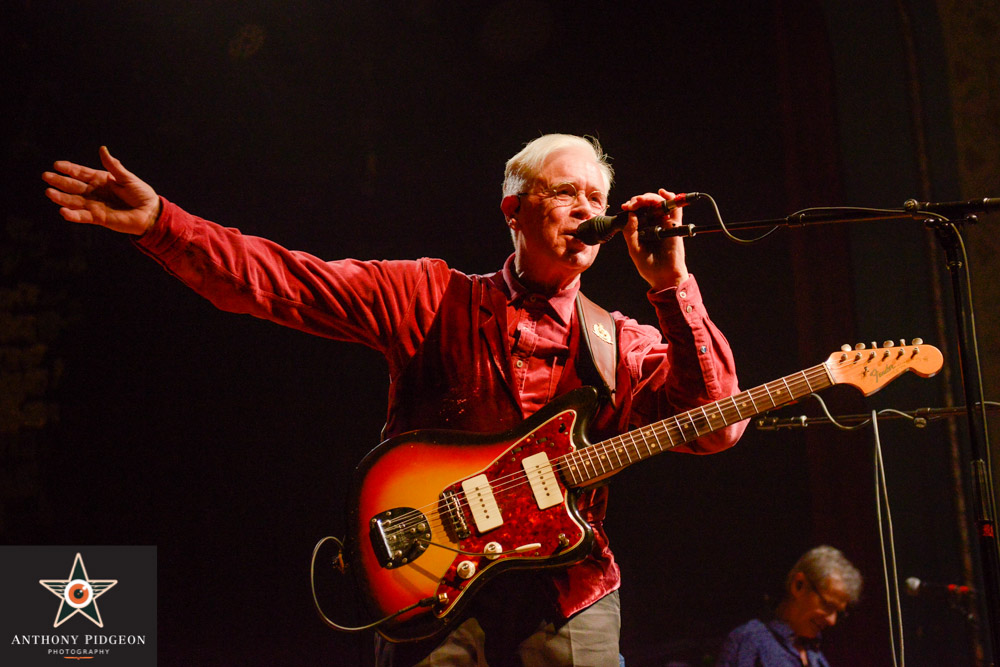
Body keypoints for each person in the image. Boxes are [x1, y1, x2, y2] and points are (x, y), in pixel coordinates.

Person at [42, 134, 747, 666]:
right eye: (568, 193)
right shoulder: (429, 294)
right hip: (430, 584)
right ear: (514, 208)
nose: (588, 211)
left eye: (598, 199)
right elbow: (283, 282)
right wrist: (164, 223)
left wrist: (671, 286)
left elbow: (716, 427)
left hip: (570, 596)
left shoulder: (620, 339)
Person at [715, 545, 863, 667]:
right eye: (827, 605)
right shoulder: (750, 641)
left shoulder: (816, 655)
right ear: (798, 586)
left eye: (838, 612)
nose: (832, 621)